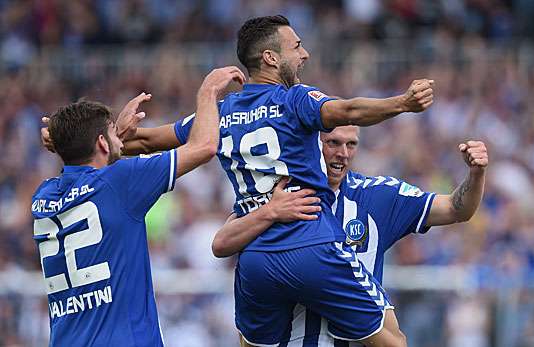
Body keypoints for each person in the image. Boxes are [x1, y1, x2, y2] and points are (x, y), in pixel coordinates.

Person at [114, 15, 435, 347]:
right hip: (311, 243)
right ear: (270, 57)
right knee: (391, 337)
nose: (304, 54)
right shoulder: (294, 99)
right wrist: (402, 104)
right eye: (296, 46)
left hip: (256, 259)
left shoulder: (220, 113)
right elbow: (349, 111)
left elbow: (147, 142)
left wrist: (108, 136)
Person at [211, 125, 488, 346]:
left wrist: (476, 173)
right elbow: (222, 242)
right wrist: (269, 212)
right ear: (310, 143)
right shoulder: (279, 193)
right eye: (332, 143)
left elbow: (455, 209)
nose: (342, 153)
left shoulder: (378, 196)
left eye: (351, 144)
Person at [31, 66, 244, 347]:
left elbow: (84, 161)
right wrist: (207, 92)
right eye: (114, 134)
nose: (121, 138)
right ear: (102, 144)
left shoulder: (43, 196)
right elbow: (204, 146)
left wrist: (91, 138)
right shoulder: (121, 181)